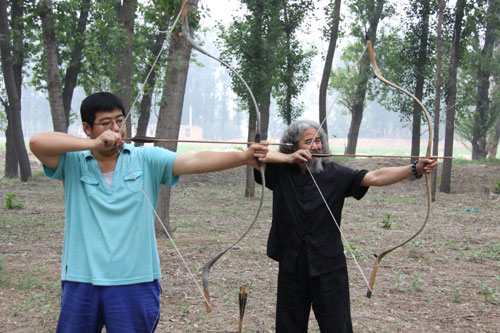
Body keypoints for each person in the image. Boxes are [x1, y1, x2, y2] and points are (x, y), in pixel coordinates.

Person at [29, 92, 268, 333]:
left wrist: (243, 157)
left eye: (120, 121)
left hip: (135, 280)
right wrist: (93, 145)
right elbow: (37, 142)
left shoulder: (146, 158)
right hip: (81, 279)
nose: (116, 129)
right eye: (106, 123)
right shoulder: (74, 161)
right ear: (87, 128)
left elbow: (194, 160)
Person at [254, 120, 437, 333]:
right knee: (289, 327)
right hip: (291, 266)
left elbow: (376, 177)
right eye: (308, 141)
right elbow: (254, 156)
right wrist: (288, 158)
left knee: (337, 327)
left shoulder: (335, 174)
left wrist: (415, 168)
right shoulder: (280, 172)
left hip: (329, 268)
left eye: (319, 141)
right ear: (292, 146)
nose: (316, 146)